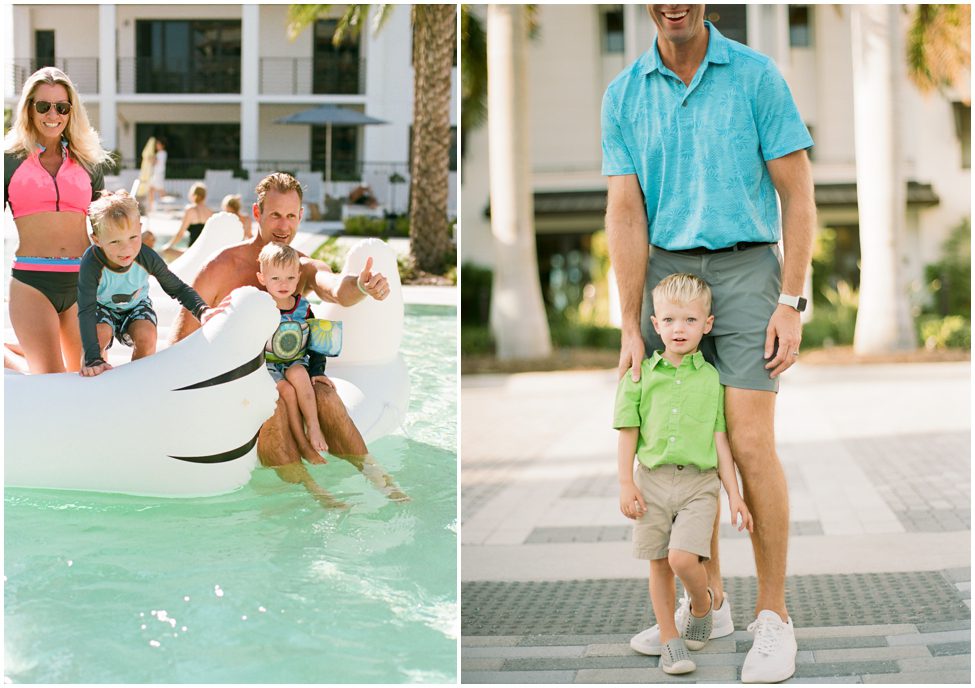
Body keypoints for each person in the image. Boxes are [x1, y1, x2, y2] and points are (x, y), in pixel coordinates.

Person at [601, 5, 815, 683]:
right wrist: (629, 322)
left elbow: (798, 192)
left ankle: (774, 617)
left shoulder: (754, 76)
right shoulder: (623, 93)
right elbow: (625, 210)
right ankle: (713, 606)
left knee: (749, 442)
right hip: (665, 273)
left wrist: (790, 298)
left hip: (749, 268)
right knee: (686, 435)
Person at [171, 172, 407, 506]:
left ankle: (377, 477)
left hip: (287, 370)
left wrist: (362, 286)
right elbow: (180, 340)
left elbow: (334, 287)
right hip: (238, 383)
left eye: (292, 216)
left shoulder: (302, 268)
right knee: (270, 399)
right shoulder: (223, 266)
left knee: (323, 392)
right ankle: (310, 492)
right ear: (257, 214)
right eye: (276, 215)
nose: (284, 226)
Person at [615, 273, 753, 675]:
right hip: (651, 482)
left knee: (682, 558)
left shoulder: (710, 378)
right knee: (658, 562)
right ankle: (669, 640)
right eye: (670, 320)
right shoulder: (638, 376)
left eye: (690, 320)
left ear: (707, 325)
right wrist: (625, 482)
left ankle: (702, 603)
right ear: (655, 324)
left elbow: (720, 441)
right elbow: (628, 432)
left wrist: (736, 495)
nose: (680, 329)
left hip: (698, 484)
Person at [3, 66, 111, 373]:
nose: (53, 114)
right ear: (29, 109)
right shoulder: (9, 161)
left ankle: (18, 355)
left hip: (83, 282)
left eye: (62, 107)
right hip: (32, 284)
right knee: (51, 378)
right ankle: (14, 358)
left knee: (89, 375)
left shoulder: (89, 161)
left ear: (71, 111)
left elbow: (104, 223)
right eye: (44, 106)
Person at [77, 190, 210, 376]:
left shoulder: (146, 257)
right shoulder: (92, 263)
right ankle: (96, 376)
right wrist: (92, 358)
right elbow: (86, 310)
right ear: (97, 240)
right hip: (101, 308)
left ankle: (138, 381)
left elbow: (177, 288)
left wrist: (203, 311)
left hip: (136, 307)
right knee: (99, 336)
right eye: (115, 241)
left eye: (133, 237)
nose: (127, 249)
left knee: (146, 336)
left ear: (139, 228)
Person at [257, 242, 331, 456]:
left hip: (294, 360)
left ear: (298, 276)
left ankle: (314, 428)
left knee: (300, 376)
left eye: (290, 277)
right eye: (275, 278)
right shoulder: (260, 307)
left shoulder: (302, 307)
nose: (283, 284)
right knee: (288, 391)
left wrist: (318, 370)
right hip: (267, 366)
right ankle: (301, 441)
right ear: (263, 279)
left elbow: (316, 340)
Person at [163, 182, 214, 251]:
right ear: (204, 196)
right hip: (205, 250)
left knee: (165, 251)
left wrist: (169, 245)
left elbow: (180, 233)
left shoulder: (190, 210)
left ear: (193, 195)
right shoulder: (210, 212)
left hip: (193, 250)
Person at [147, 138, 167, 213]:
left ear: (162, 145)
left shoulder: (163, 153)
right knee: (152, 190)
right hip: (156, 174)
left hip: (158, 174)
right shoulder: (159, 153)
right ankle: (151, 207)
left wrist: (150, 158)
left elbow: (155, 161)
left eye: (158, 144)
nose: (157, 146)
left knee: (161, 191)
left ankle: (165, 207)